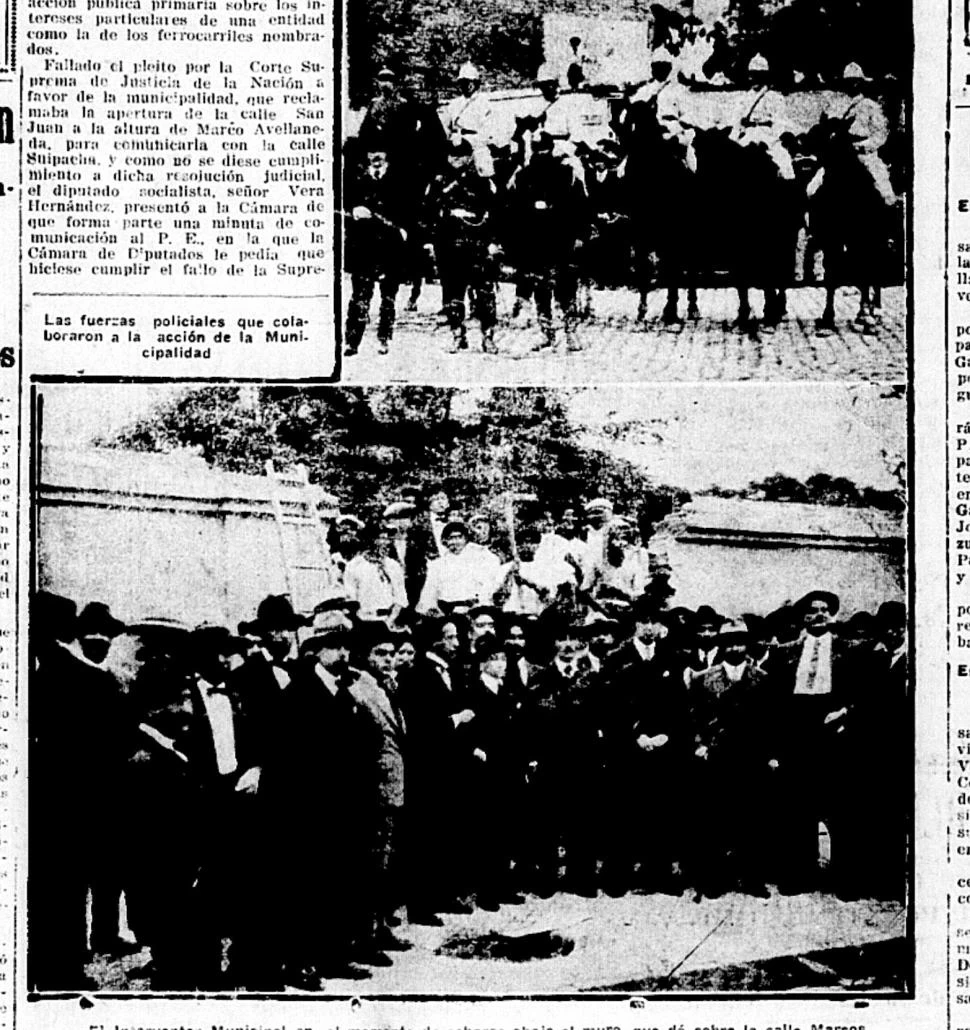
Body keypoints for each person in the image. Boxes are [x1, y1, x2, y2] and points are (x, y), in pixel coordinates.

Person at [261, 627, 381, 986]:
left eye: (346, 647)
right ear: (316, 651)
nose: (343, 653)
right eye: (334, 647)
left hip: (343, 808)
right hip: (307, 810)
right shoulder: (298, 693)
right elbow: (287, 755)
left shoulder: (344, 693)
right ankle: (299, 962)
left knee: (337, 884)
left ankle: (332, 955)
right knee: (304, 888)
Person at [29, 592, 135, 991]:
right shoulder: (77, 675)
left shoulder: (61, 675)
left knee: (60, 885)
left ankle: (59, 965)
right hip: (69, 799)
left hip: (62, 800)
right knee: (62, 887)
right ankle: (60, 965)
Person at [769, 590, 861, 894]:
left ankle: (845, 876)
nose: (819, 615)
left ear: (833, 615)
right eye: (812, 610)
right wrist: (777, 747)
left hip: (836, 733)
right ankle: (799, 874)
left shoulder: (851, 650)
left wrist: (845, 711)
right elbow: (774, 704)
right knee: (797, 807)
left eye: (824, 610)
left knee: (841, 807)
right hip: (797, 734)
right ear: (803, 618)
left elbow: (867, 694)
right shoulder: (785, 652)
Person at [600, 601, 688, 895]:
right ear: (635, 624)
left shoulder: (672, 657)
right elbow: (608, 707)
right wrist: (632, 736)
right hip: (628, 748)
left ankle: (659, 874)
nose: (648, 626)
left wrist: (667, 735)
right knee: (623, 811)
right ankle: (618, 875)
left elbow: (680, 704)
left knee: (661, 810)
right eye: (643, 620)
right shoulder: (616, 658)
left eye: (654, 620)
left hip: (663, 747)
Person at [688, 621, 773, 898]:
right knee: (716, 818)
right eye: (730, 642)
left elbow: (772, 720)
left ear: (747, 645)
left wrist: (771, 755)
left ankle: (751, 878)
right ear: (721, 645)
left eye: (740, 641)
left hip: (751, 758)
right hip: (718, 757)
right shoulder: (704, 678)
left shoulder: (761, 677)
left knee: (752, 818)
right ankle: (716, 877)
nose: (735, 647)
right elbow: (694, 718)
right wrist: (699, 745)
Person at [506, 129, 590, 351]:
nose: (541, 154)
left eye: (544, 149)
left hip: (561, 237)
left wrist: (581, 235)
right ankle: (547, 332)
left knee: (566, 287)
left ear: (551, 149)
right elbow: (513, 211)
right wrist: (516, 243)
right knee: (540, 289)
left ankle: (571, 332)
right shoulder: (522, 176)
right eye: (537, 150)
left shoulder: (567, 173)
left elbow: (580, 207)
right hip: (534, 241)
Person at [422, 137, 500, 353]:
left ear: (469, 156)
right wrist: (429, 241)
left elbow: (494, 213)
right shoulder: (438, 183)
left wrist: (493, 242)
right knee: (452, 294)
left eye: (462, 155)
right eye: (453, 155)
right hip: (448, 245)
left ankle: (488, 336)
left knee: (484, 293)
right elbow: (428, 213)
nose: (457, 159)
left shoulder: (482, 181)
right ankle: (458, 334)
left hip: (476, 244)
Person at [343, 148, 410, 357]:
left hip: (391, 250)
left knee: (388, 299)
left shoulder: (400, 182)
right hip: (363, 248)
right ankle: (352, 342)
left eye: (380, 156)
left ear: (388, 159)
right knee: (359, 298)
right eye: (372, 156)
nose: (376, 160)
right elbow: (342, 203)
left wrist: (404, 231)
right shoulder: (355, 180)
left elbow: (411, 211)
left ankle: (384, 338)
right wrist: (353, 211)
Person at [827, 62, 897, 206]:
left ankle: (891, 207)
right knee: (815, 186)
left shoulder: (870, 106)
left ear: (860, 83)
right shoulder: (839, 106)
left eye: (855, 81)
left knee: (882, 186)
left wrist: (865, 146)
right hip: (842, 151)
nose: (851, 85)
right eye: (848, 82)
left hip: (864, 153)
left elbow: (881, 134)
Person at [728, 54, 796, 181]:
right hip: (747, 135)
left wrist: (772, 139)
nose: (753, 78)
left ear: (764, 76)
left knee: (784, 159)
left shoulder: (774, 97)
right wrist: (733, 138)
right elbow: (737, 121)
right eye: (752, 74)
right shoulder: (745, 98)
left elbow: (780, 121)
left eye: (757, 75)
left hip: (767, 136)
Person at [417, 521, 499, 615]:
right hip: (446, 610)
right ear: (445, 541)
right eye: (451, 538)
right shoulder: (438, 565)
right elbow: (429, 591)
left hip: (473, 608)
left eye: (459, 537)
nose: (455, 542)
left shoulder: (477, 559)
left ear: (466, 539)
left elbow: (488, 585)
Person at [438, 62, 497, 178]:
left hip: (475, 147)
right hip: (455, 147)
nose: (467, 85)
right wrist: (449, 139)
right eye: (464, 82)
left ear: (476, 83)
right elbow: (446, 127)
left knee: (483, 171)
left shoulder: (484, 103)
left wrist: (469, 142)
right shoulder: (454, 104)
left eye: (471, 82)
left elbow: (487, 132)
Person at [343, 522, 408, 625]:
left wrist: (389, 621)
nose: (386, 543)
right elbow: (350, 599)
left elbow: (400, 599)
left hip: (388, 621)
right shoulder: (354, 565)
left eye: (387, 538)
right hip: (363, 622)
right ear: (370, 541)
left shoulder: (393, 566)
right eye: (381, 538)